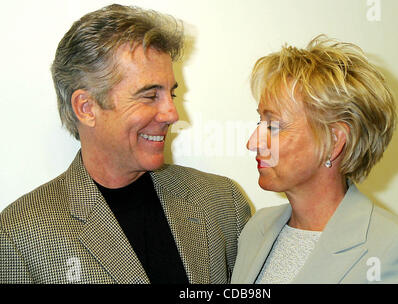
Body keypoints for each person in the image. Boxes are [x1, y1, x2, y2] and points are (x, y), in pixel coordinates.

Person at [0, 4, 250, 284]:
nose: (172, 114)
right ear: (86, 108)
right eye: (149, 96)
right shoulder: (20, 236)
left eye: (171, 94)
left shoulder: (222, 203)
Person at [231, 35, 398, 284]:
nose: (253, 142)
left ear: (334, 142)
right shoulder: (257, 229)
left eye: (274, 126)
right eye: (261, 122)